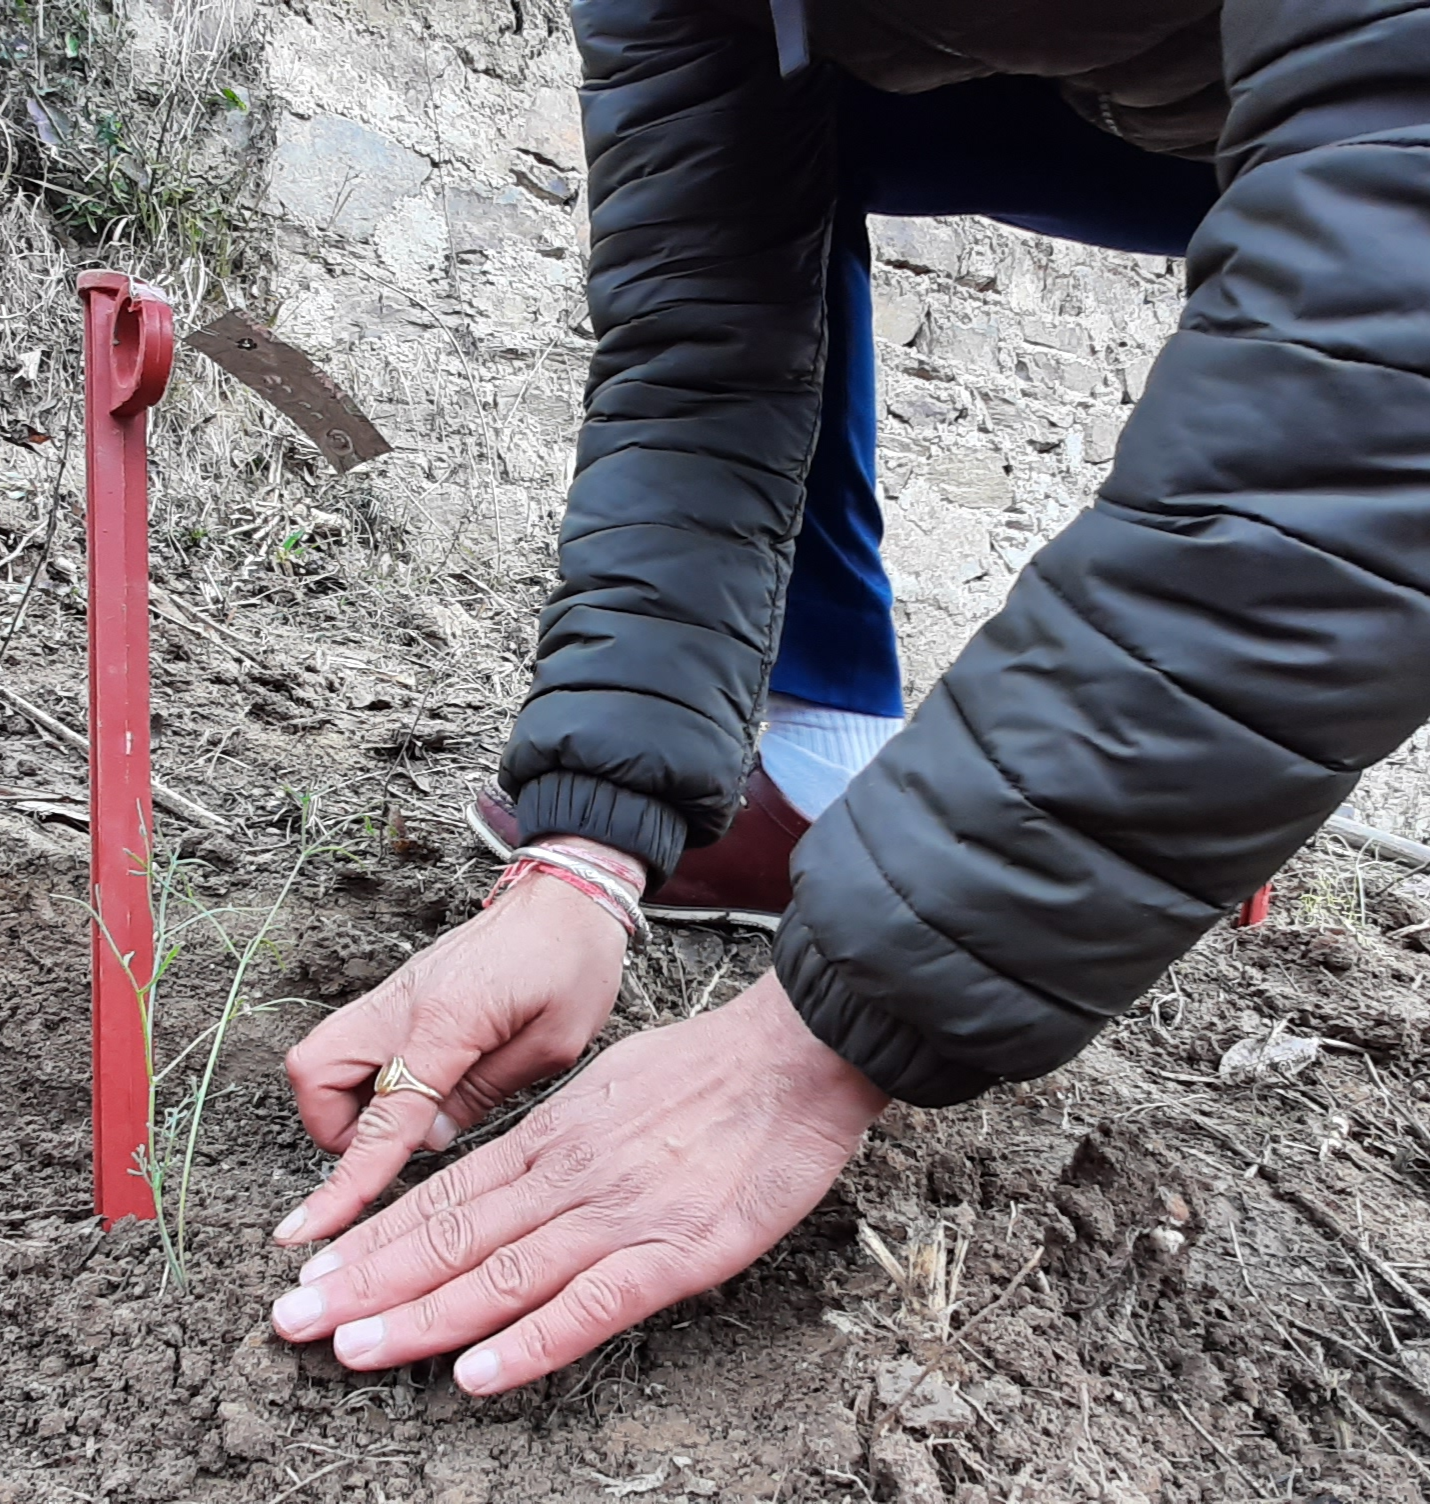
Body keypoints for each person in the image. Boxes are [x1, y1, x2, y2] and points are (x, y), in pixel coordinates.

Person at [268, 0, 1430, 1396]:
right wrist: (581, 852)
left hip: (1324, 94)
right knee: (775, 129)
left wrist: (817, 1039)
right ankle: (820, 745)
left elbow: (1368, 386)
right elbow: (696, 342)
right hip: (1124, 75)